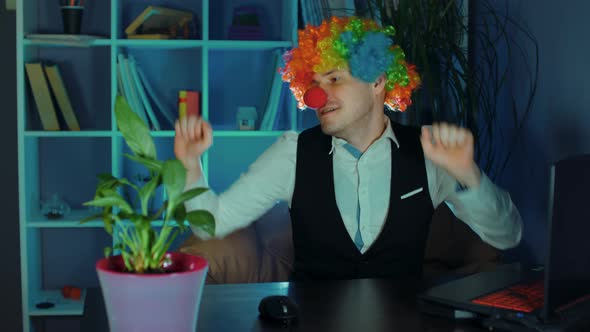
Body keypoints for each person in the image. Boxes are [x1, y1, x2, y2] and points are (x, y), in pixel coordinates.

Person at [174, 16, 522, 281]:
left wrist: (468, 175)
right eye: (312, 84)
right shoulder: (291, 153)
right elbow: (212, 224)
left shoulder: (430, 151)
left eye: (334, 78)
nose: (317, 96)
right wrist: (191, 164)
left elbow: (507, 236)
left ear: (377, 81)